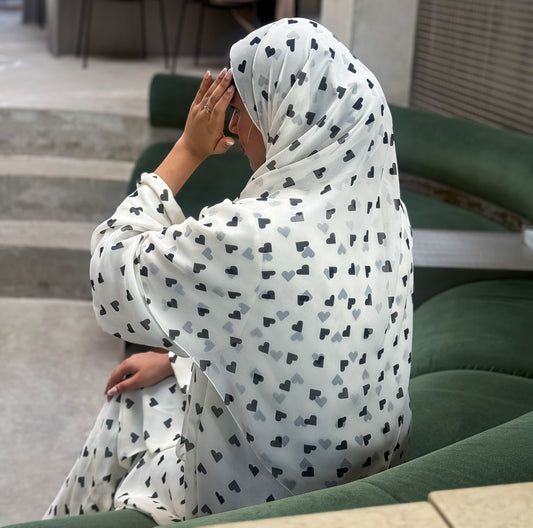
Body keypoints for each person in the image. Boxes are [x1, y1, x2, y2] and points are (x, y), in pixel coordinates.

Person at [44, 17, 413, 525]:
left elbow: (111, 275)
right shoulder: (383, 217)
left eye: (243, 108)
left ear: (288, 113)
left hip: (262, 502)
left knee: (126, 410)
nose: (235, 128)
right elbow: (297, 350)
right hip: (346, 476)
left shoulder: (253, 235)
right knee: (153, 387)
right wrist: (176, 362)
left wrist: (188, 149)